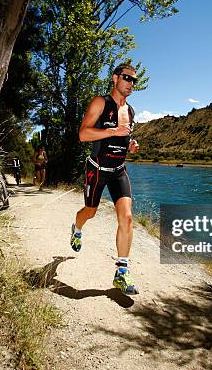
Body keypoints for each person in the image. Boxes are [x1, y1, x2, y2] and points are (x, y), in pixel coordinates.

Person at [70, 63, 140, 295]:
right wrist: (112, 132)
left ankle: (122, 271)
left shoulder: (130, 111)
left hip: (118, 170)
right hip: (97, 169)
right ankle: (77, 228)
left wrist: (130, 144)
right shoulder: (100, 103)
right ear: (115, 78)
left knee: (127, 218)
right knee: (90, 212)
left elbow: (123, 138)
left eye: (134, 81)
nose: (131, 84)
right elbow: (83, 134)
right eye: (127, 78)